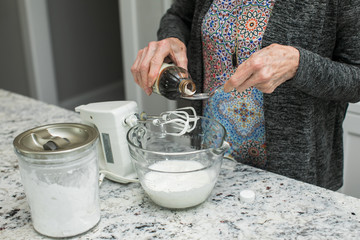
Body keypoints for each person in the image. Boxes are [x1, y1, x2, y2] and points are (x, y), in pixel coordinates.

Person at [131, 0, 360, 191]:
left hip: (294, 173)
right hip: (209, 159)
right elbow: (179, 16)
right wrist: (173, 39)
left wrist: (299, 65)